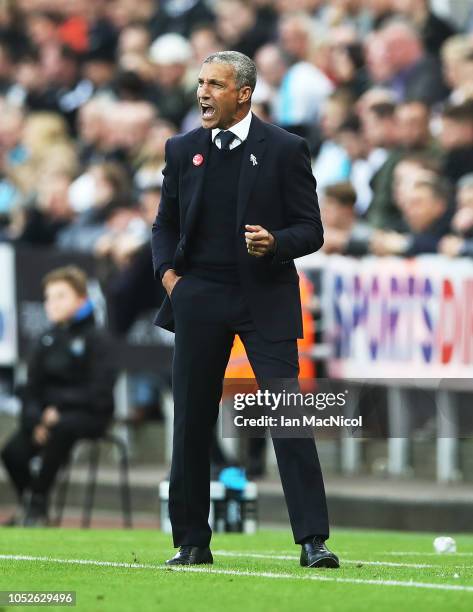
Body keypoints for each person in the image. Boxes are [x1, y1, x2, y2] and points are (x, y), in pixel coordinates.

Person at [152, 50, 339, 568]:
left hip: (265, 296)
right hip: (200, 295)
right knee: (191, 419)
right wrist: (171, 279)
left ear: (244, 93)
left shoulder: (284, 148)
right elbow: (164, 223)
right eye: (200, 83)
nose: (203, 93)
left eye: (215, 84)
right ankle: (191, 542)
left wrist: (276, 241)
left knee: (288, 415)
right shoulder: (181, 148)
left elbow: (312, 230)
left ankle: (312, 542)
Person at [0, 266, 116, 526]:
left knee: (62, 430)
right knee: (13, 452)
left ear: (81, 299)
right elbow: (31, 388)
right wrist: (37, 420)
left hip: (86, 416)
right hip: (45, 418)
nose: (52, 303)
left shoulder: (97, 339)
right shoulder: (46, 340)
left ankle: (36, 503)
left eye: (60, 296)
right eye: (48, 297)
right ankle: (32, 505)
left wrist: (57, 410)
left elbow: (99, 392)